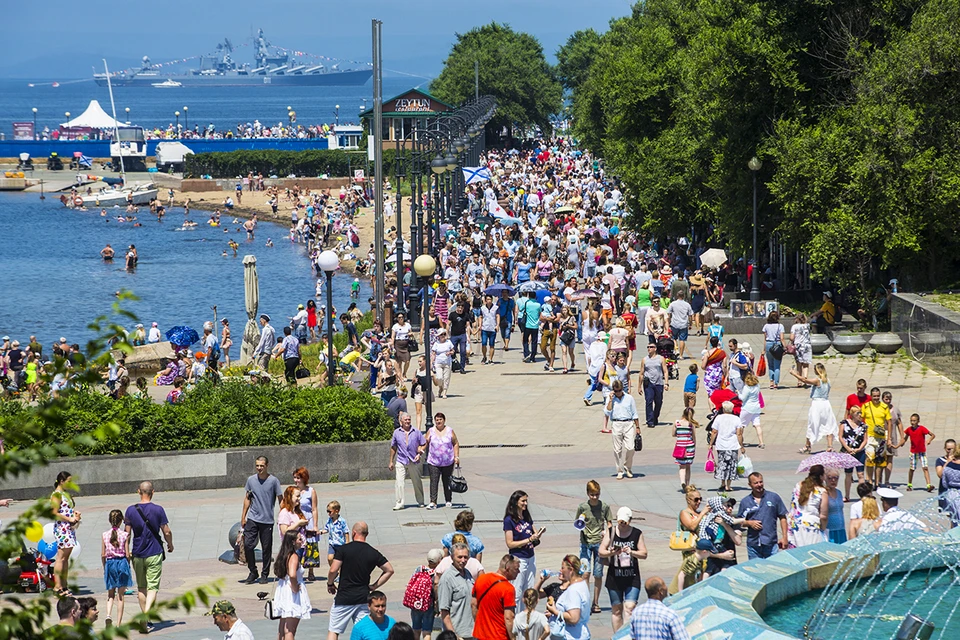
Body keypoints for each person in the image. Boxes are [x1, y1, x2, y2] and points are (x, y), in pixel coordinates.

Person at [327, 522, 395, 640]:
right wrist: (374, 586)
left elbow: (333, 570)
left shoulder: (344, 549)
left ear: (353, 533)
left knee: (334, 630)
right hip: (363, 598)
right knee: (365, 628)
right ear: (367, 534)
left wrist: (330, 583)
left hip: (344, 596)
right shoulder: (373, 552)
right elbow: (389, 570)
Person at [124, 480, 173, 615]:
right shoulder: (158, 509)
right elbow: (166, 531)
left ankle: (144, 615)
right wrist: (170, 544)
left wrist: (126, 551)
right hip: (154, 552)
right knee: (152, 587)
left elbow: (126, 534)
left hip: (137, 553)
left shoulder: (130, 510)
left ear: (138, 491)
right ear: (153, 492)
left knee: (141, 588)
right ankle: (146, 615)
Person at [599, 507, 647, 632]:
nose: (623, 525)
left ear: (630, 520)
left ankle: (627, 635)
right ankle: (618, 635)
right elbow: (601, 551)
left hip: (632, 576)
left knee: (629, 608)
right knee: (616, 609)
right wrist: (611, 552)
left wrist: (632, 552)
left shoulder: (637, 533)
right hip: (614, 576)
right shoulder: (611, 532)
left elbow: (644, 554)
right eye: (620, 522)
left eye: (625, 522)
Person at [241, 456, 283, 584]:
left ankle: (265, 574)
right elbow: (247, 498)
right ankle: (253, 571)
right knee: (248, 545)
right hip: (253, 518)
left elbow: (280, 499)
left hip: (267, 520)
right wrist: (243, 516)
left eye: (262, 466)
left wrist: (283, 516)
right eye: (257, 466)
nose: (259, 468)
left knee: (266, 548)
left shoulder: (274, 481)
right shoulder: (251, 480)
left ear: (267, 466)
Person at [576, 480, 612, 615]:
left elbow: (609, 523)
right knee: (585, 573)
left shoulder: (604, 507)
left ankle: (595, 602)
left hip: (599, 544)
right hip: (585, 543)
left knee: (598, 574)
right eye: (592, 495)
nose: (595, 497)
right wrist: (581, 524)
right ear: (587, 494)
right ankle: (585, 601)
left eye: (597, 494)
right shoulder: (582, 507)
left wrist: (607, 534)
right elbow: (577, 523)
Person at [503, 490, 543, 603]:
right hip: (519, 558)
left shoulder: (526, 516)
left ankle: (527, 617)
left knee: (528, 591)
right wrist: (528, 540)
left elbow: (533, 531)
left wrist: (538, 535)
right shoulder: (509, 520)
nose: (525, 503)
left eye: (526, 501)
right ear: (516, 502)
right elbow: (510, 543)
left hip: (531, 557)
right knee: (517, 591)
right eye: (523, 501)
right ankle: (515, 618)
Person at [737, 472, 788, 559]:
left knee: (774, 568)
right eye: (756, 483)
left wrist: (785, 537)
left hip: (770, 542)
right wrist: (749, 523)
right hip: (753, 544)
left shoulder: (773, 497)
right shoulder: (745, 502)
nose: (759, 485)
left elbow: (782, 517)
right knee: (756, 570)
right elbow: (739, 521)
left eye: (761, 482)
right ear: (750, 485)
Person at [791, 363, 838, 453]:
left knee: (812, 424)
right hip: (826, 404)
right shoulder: (828, 380)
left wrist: (794, 373)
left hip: (817, 404)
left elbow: (804, 380)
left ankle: (807, 445)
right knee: (829, 424)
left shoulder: (817, 380)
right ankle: (829, 446)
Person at [274, 529, 312, 640]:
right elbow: (292, 574)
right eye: (299, 539)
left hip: (283, 591)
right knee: (290, 629)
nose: (302, 541)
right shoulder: (294, 556)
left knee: (282, 628)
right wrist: (295, 587)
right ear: (293, 542)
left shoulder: (284, 555)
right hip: (291, 594)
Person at [472, 554, 519, 640]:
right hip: (499, 635)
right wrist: (513, 638)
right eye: (516, 569)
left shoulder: (481, 579)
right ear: (507, 569)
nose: (519, 572)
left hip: (480, 634)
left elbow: (473, 604)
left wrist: (478, 623)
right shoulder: (508, 588)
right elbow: (509, 618)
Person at [544, 555, 591, 639]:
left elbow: (573, 618)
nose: (560, 570)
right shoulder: (582, 584)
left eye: (563, 568)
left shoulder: (573, 590)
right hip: (581, 634)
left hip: (572, 636)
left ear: (571, 570)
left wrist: (554, 611)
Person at [51, 470, 80, 597]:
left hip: (68, 528)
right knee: (61, 557)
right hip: (62, 528)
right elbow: (54, 512)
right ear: (61, 481)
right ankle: (57, 587)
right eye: (68, 482)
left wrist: (75, 516)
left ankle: (64, 584)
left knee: (65, 558)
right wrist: (69, 519)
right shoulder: (56, 495)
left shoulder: (64, 494)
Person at [101, 509, 132, 626]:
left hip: (110, 563)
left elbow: (103, 554)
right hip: (122, 562)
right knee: (121, 596)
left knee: (110, 594)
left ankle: (108, 615)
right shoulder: (125, 535)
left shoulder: (104, 535)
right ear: (121, 521)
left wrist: (105, 566)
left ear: (110, 521)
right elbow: (127, 554)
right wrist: (128, 564)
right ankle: (118, 624)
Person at [437, 543, 475, 639]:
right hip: (459, 634)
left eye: (465, 557)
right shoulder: (447, 579)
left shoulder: (467, 574)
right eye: (460, 557)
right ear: (452, 557)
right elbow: (444, 611)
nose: (463, 560)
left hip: (473, 632)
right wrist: (454, 636)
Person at [390, 412, 426, 510]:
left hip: (413, 460)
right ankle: (399, 502)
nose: (407, 421)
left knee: (416, 481)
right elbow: (393, 447)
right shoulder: (396, 432)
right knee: (399, 482)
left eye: (409, 419)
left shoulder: (416, 432)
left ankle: (420, 500)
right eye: (405, 420)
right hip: (401, 460)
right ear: (401, 421)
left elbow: (424, 443)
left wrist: (420, 453)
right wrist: (391, 461)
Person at [606, 379, 641, 479]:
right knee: (617, 450)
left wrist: (637, 426)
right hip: (616, 423)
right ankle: (619, 470)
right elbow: (608, 410)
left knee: (631, 447)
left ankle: (627, 467)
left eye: (619, 390)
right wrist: (611, 399)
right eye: (616, 391)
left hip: (628, 423)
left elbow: (634, 413)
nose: (618, 393)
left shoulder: (629, 398)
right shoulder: (612, 399)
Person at [424, 413, 459, 509]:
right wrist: (421, 450)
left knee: (447, 481)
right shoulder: (431, 431)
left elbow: (455, 443)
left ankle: (448, 500)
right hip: (434, 461)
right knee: (434, 481)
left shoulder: (450, 431)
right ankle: (433, 502)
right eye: (437, 420)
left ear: (444, 420)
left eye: (440, 419)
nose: (438, 421)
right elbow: (425, 442)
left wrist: (456, 457)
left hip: (448, 462)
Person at [788, 465, 828, 547]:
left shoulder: (798, 485)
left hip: (794, 524)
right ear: (820, 476)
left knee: (796, 554)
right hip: (811, 527)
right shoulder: (822, 491)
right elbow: (823, 516)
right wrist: (823, 529)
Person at [710, 402, 744, 492]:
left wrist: (710, 443)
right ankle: (728, 485)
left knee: (722, 463)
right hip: (732, 445)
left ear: (723, 409)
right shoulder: (736, 419)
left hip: (721, 444)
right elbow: (739, 433)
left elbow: (714, 431)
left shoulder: (718, 418)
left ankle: (722, 483)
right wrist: (742, 446)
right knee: (732, 465)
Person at [862, 387, 892, 487]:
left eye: (878, 396)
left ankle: (877, 482)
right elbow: (861, 419)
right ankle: (870, 480)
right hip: (870, 436)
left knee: (880, 461)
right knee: (870, 459)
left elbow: (889, 422)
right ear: (871, 396)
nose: (876, 398)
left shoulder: (884, 407)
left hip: (881, 437)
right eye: (874, 396)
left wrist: (889, 438)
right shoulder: (866, 406)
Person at [839, 405, 868, 500]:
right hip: (848, 452)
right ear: (852, 414)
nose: (860, 415)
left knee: (861, 474)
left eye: (860, 413)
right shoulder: (844, 423)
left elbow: (865, 439)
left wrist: (859, 448)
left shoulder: (863, 426)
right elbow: (841, 437)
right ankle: (847, 495)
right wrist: (847, 448)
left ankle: (863, 495)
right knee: (848, 474)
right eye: (857, 413)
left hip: (859, 452)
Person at [639, 343, 669, 428]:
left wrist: (666, 383)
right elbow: (641, 373)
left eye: (651, 347)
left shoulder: (661, 358)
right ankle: (650, 420)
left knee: (658, 402)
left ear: (655, 348)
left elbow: (665, 371)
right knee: (649, 401)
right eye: (648, 347)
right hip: (648, 384)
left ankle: (655, 417)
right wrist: (639, 386)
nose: (649, 348)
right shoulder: (644, 360)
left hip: (659, 383)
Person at [904, 413, 935, 492]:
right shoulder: (909, 429)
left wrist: (929, 440)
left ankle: (928, 485)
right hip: (913, 452)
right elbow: (905, 438)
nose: (912, 422)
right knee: (912, 468)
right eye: (911, 420)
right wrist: (898, 445)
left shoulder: (922, 429)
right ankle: (909, 484)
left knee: (925, 467)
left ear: (918, 421)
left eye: (914, 421)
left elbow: (932, 435)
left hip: (922, 452)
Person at [882, 391, 906, 487]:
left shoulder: (895, 410)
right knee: (879, 459)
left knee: (889, 458)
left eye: (889, 399)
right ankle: (878, 480)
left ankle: (887, 480)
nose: (888, 401)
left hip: (892, 436)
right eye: (886, 399)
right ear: (882, 399)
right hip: (882, 436)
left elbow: (899, 423)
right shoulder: (880, 409)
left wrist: (902, 437)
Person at [672, 408, 698, 491]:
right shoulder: (691, 424)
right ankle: (687, 484)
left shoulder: (677, 423)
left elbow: (673, 434)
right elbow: (694, 437)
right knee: (688, 467)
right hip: (689, 447)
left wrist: (680, 435)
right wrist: (694, 446)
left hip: (680, 447)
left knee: (681, 467)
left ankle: (682, 482)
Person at [737, 371, 765, 448]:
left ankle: (740, 442)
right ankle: (761, 442)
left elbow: (743, 398)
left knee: (741, 425)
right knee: (757, 425)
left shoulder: (747, 388)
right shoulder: (757, 386)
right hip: (756, 408)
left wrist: (738, 393)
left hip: (747, 408)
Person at [823, 469, 846, 543]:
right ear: (825, 478)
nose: (833, 480)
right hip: (829, 530)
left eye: (836, 478)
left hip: (841, 529)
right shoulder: (824, 493)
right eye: (830, 478)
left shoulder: (839, 492)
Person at [789, 313, 812, 383]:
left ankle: (799, 381)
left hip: (798, 346)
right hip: (807, 346)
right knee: (806, 364)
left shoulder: (794, 326)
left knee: (799, 364)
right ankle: (805, 378)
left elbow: (792, 338)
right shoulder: (807, 326)